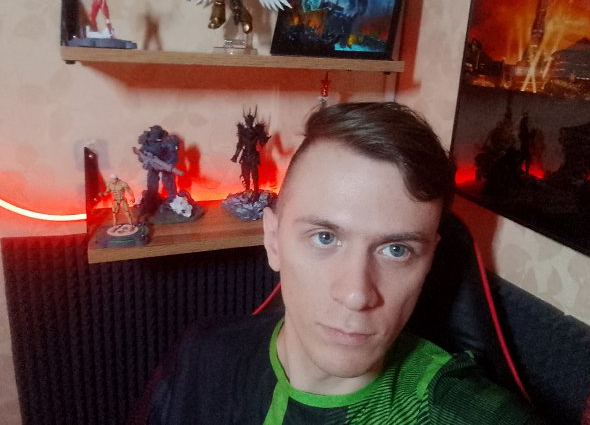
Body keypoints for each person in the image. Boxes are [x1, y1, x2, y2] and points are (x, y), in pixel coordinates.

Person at [146, 102, 543, 424]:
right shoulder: (199, 356)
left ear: (429, 261)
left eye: (396, 250)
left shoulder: (459, 411)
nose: (356, 294)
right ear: (273, 240)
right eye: (325, 237)